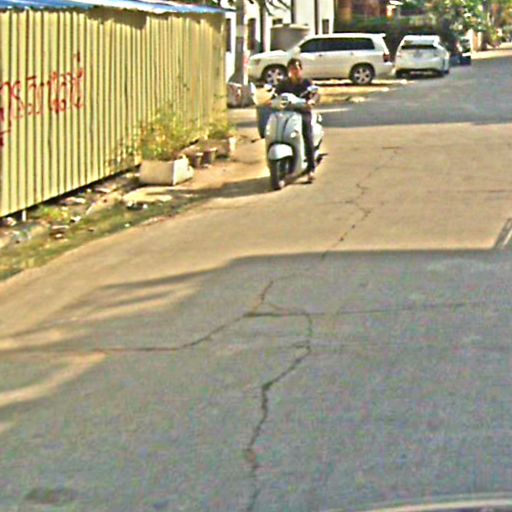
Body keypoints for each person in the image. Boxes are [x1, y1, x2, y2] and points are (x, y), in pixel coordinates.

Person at [275, 58, 320, 182]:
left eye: (296, 68)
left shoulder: (306, 82)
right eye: (292, 68)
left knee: (306, 134)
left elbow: (316, 94)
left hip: (303, 112)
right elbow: (276, 95)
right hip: (287, 113)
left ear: (301, 69)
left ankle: (311, 168)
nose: (294, 71)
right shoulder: (284, 83)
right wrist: (270, 101)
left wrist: (311, 101)